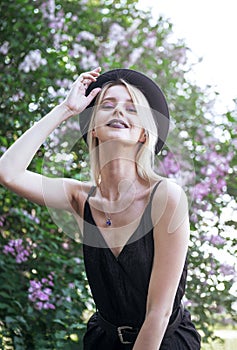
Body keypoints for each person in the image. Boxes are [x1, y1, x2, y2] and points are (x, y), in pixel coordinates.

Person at [0, 67, 201, 349]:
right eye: (108, 105)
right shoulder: (79, 197)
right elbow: (8, 172)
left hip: (163, 341)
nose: (119, 111)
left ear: (144, 134)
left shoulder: (166, 197)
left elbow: (159, 312)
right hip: (102, 342)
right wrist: (66, 109)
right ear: (93, 128)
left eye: (132, 109)